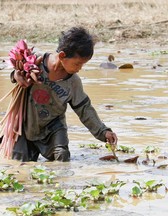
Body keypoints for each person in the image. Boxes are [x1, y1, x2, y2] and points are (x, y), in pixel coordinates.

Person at [9, 26, 118, 162]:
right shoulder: (34, 64)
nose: (79, 69)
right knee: (18, 162)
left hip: (54, 127)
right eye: (77, 64)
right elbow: (16, 75)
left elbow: (84, 109)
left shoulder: (73, 82)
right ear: (62, 56)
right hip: (26, 125)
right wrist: (16, 75)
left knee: (62, 156)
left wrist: (103, 131)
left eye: (83, 65)